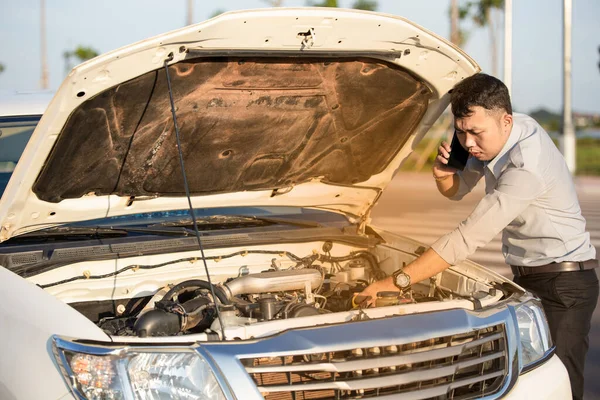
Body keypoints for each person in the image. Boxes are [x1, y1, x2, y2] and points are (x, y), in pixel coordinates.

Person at [359, 73, 598, 400]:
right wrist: (444, 176)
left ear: (506, 121)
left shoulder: (526, 165)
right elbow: (458, 190)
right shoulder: (495, 137)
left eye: (475, 133)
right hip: (527, 278)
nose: (468, 143)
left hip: (565, 286)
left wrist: (395, 281)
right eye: (461, 132)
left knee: (559, 388)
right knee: (506, 378)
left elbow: (466, 238)